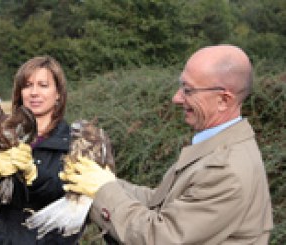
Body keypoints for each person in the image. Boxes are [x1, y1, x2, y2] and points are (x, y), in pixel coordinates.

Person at [60, 45, 273, 244]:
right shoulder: (216, 150)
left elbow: (159, 237)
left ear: (223, 100)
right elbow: (158, 202)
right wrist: (101, 181)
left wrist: (102, 190)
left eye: (188, 91)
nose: (176, 98)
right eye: (181, 86)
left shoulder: (226, 171)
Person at [0, 55, 81, 244]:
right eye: (27, 85)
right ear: (20, 92)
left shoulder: (76, 142)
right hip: (5, 239)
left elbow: (75, 200)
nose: (34, 92)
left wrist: (34, 175)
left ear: (58, 94)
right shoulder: (0, 133)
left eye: (43, 85)